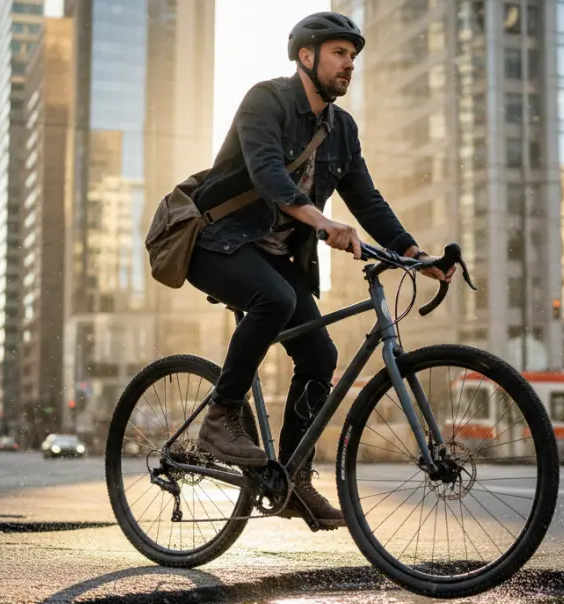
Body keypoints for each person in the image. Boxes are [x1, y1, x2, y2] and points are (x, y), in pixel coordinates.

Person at [186, 12, 454, 530]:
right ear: (306, 56)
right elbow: (267, 174)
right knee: (276, 301)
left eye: (354, 56)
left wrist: (417, 256)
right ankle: (221, 416)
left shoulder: (342, 130)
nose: (349, 64)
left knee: (320, 352)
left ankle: (293, 480)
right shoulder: (267, 100)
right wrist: (322, 221)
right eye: (339, 53)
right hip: (218, 241)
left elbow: (367, 199)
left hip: (275, 257)